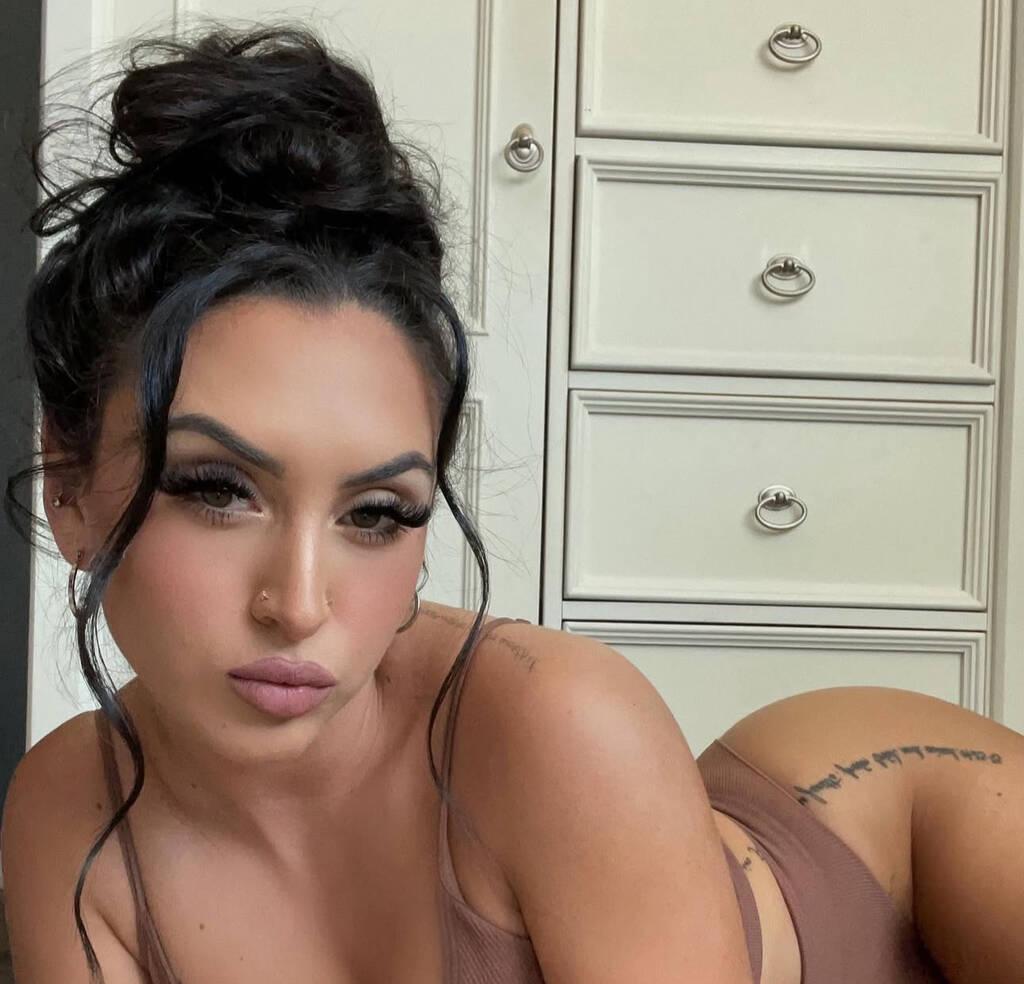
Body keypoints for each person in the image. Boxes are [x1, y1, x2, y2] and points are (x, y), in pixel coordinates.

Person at [1, 23, 1021, 984]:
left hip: (900, 831)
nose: (299, 604)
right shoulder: (66, 817)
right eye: (217, 491)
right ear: (68, 484)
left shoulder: (555, 723)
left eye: (375, 513)